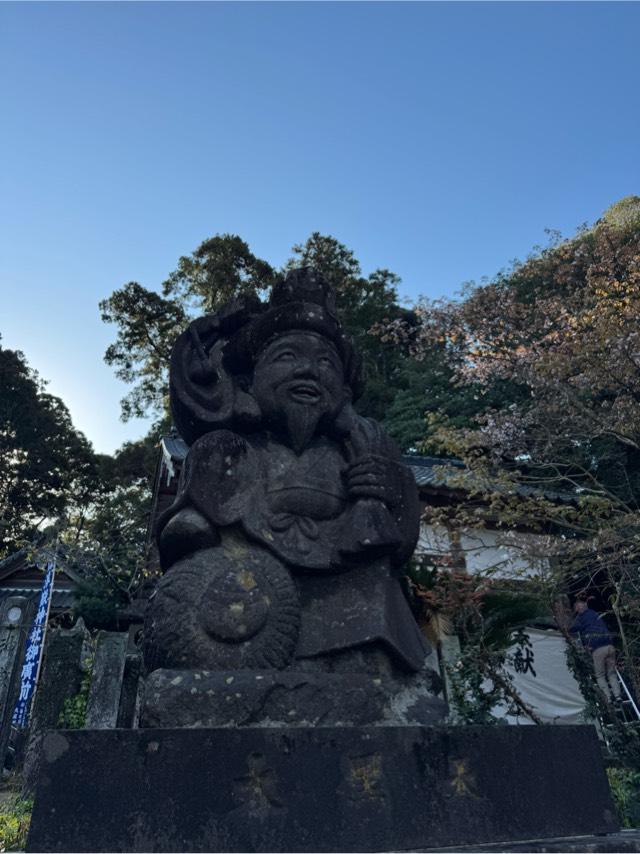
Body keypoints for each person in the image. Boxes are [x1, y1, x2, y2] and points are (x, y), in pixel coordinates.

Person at [570, 597, 621, 703]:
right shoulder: (594, 613)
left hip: (598, 649)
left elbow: (573, 628)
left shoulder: (581, 618)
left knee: (600, 675)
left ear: (577, 609)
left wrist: (564, 628)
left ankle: (608, 697)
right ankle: (618, 696)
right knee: (611, 673)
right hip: (610, 646)